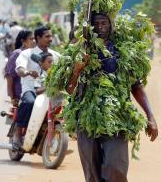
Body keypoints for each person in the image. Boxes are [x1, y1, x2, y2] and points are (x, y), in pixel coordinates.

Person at [66, 11, 158, 182]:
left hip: (118, 116)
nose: (101, 28)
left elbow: (136, 86)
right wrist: (77, 70)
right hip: (86, 117)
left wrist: (150, 116)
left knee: (116, 168)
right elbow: (70, 89)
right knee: (92, 173)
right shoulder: (79, 51)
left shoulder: (121, 52)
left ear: (111, 26)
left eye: (104, 23)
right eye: (97, 24)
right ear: (90, 28)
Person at [14, 25, 60, 148]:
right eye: (47, 36)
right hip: (31, 89)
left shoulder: (56, 56)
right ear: (38, 38)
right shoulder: (27, 54)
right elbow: (20, 70)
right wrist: (27, 72)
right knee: (29, 102)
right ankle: (18, 135)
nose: (50, 39)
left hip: (50, 91)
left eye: (51, 36)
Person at [4, 30, 34, 106]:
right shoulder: (17, 53)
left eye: (34, 39)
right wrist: (12, 98)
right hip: (21, 97)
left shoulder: (34, 54)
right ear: (23, 41)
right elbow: (9, 77)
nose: (34, 41)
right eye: (31, 39)